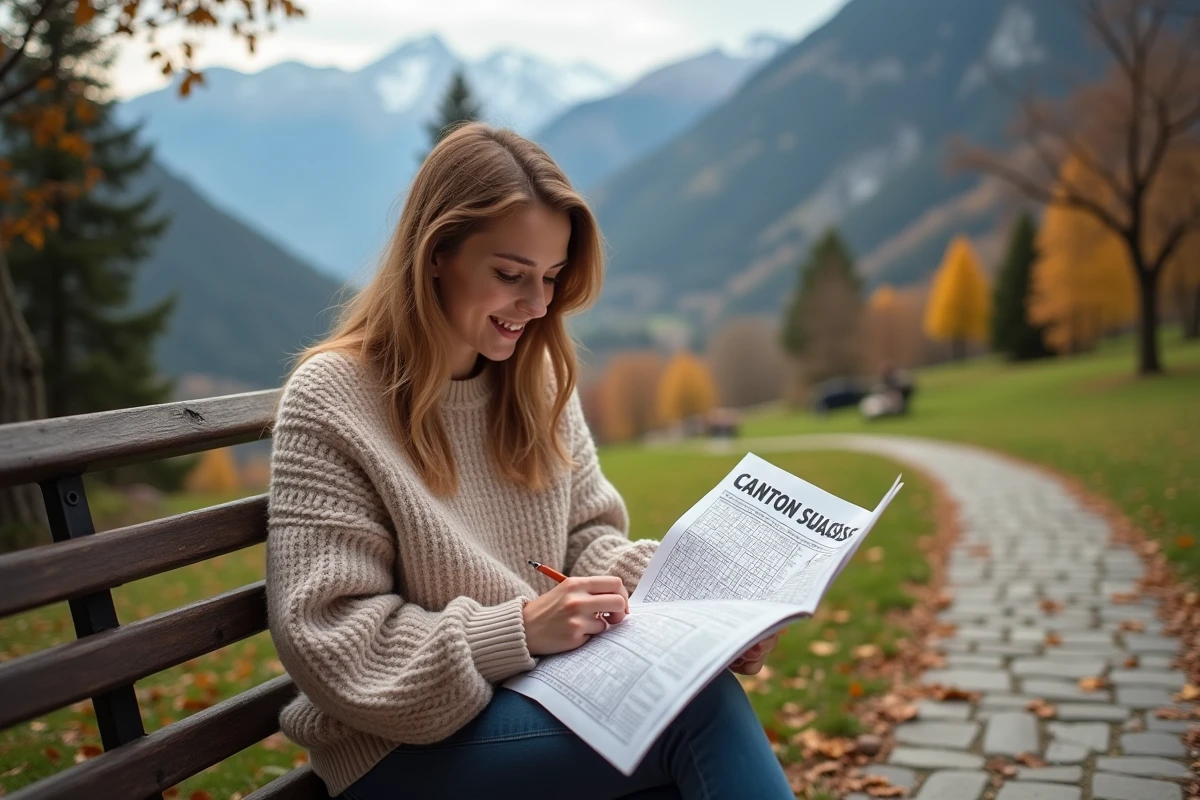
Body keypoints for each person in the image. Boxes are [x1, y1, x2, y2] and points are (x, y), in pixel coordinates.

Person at [264, 122, 794, 800]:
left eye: (549, 278)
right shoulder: (334, 398)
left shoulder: (532, 378)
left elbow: (584, 540)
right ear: (435, 255)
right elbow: (335, 638)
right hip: (394, 748)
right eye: (511, 275)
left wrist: (690, 605)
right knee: (697, 716)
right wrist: (515, 630)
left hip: (534, 699)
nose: (537, 305)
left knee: (690, 702)